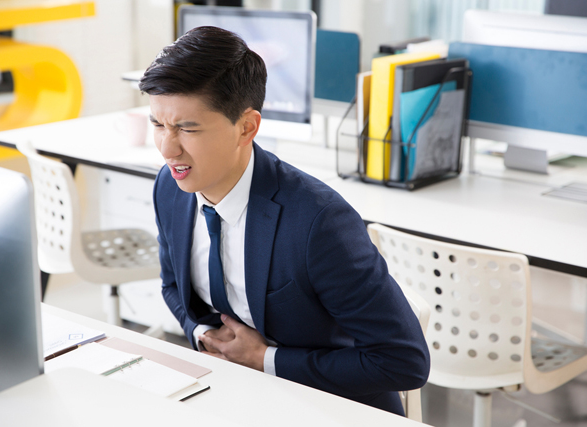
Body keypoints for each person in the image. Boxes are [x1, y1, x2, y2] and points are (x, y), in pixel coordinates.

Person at [139, 26, 429, 415]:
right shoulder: (171, 187)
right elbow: (174, 286)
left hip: (331, 406)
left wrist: (264, 359)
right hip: (237, 395)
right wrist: (206, 336)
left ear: (247, 127)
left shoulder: (318, 222)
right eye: (158, 124)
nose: (167, 148)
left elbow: (403, 361)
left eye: (187, 128)